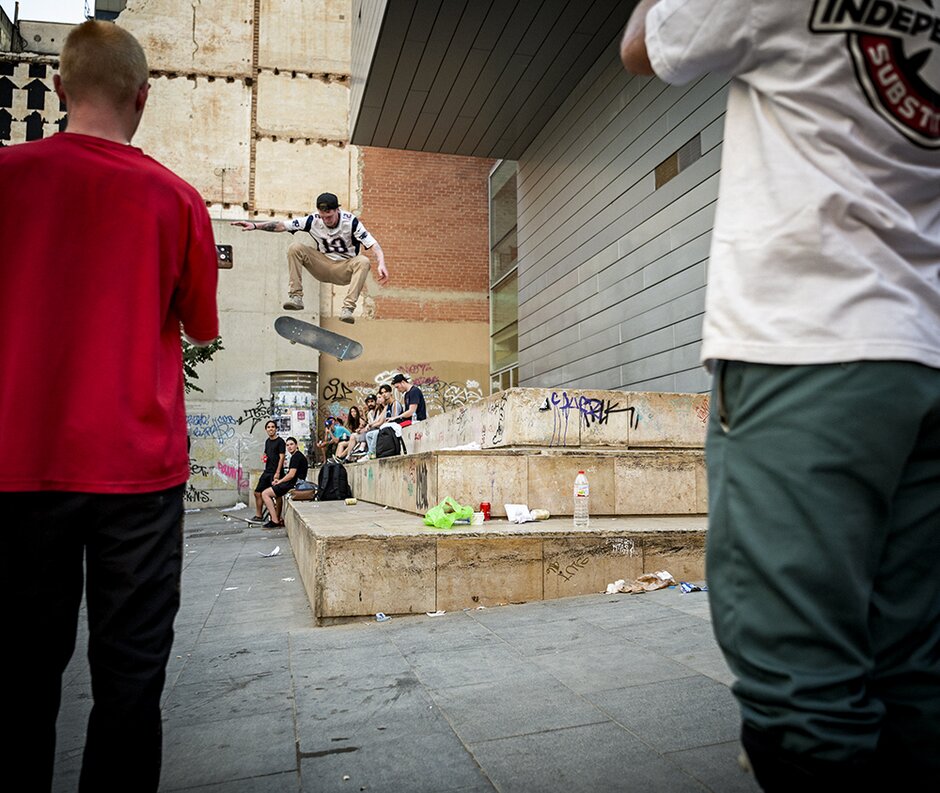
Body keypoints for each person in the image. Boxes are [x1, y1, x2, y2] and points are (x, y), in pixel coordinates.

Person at [621, 2, 940, 789]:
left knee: (802, 697)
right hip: (923, 349)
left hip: (804, 347)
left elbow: (641, 43)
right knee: (916, 671)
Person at [0, 20, 219, 792]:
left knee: (19, 683)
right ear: (144, 97)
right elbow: (199, 322)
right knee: (129, 685)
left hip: (17, 470)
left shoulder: (5, 176)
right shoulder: (178, 200)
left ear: (58, 89)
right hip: (139, 474)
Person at [231, 192, 388, 323]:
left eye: (330, 216)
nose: (326, 220)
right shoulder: (313, 220)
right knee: (295, 248)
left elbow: (374, 245)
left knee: (364, 261)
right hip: (322, 265)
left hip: (345, 268)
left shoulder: (351, 221)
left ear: (337, 210)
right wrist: (255, 226)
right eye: (323, 216)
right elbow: (282, 225)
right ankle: (296, 298)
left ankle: (347, 308)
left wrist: (381, 263)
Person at [260, 437, 308, 528]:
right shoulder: (297, 456)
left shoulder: (296, 457)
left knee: (265, 494)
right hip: (294, 483)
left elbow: (291, 475)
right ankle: (278, 518)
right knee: (276, 494)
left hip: (293, 484)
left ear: (296, 445)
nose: (289, 447)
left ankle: (274, 520)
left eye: (291, 444)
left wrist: (279, 481)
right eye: (287, 445)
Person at [252, 420, 286, 522]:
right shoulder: (267, 441)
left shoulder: (280, 441)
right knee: (257, 493)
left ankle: (277, 517)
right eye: (268, 427)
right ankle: (259, 515)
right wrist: (264, 457)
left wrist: (278, 472)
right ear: (266, 429)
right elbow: (266, 453)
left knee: (277, 495)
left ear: (276, 429)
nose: (270, 429)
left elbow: (282, 458)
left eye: (272, 427)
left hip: (276, 472)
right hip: (267, 471)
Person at [364, 384, 402, 457]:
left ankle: (371, 454)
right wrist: (370, 425)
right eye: (382, 393)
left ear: (390, 392)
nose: (384, 394)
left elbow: (395, 419)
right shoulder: (387, 406)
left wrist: (382, 423)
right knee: (369, 435)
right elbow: (379, 419)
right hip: (387, 428)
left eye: (385, 392)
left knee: (375, 434)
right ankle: (371, 453)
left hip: (393, 428)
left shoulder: (395, 403)